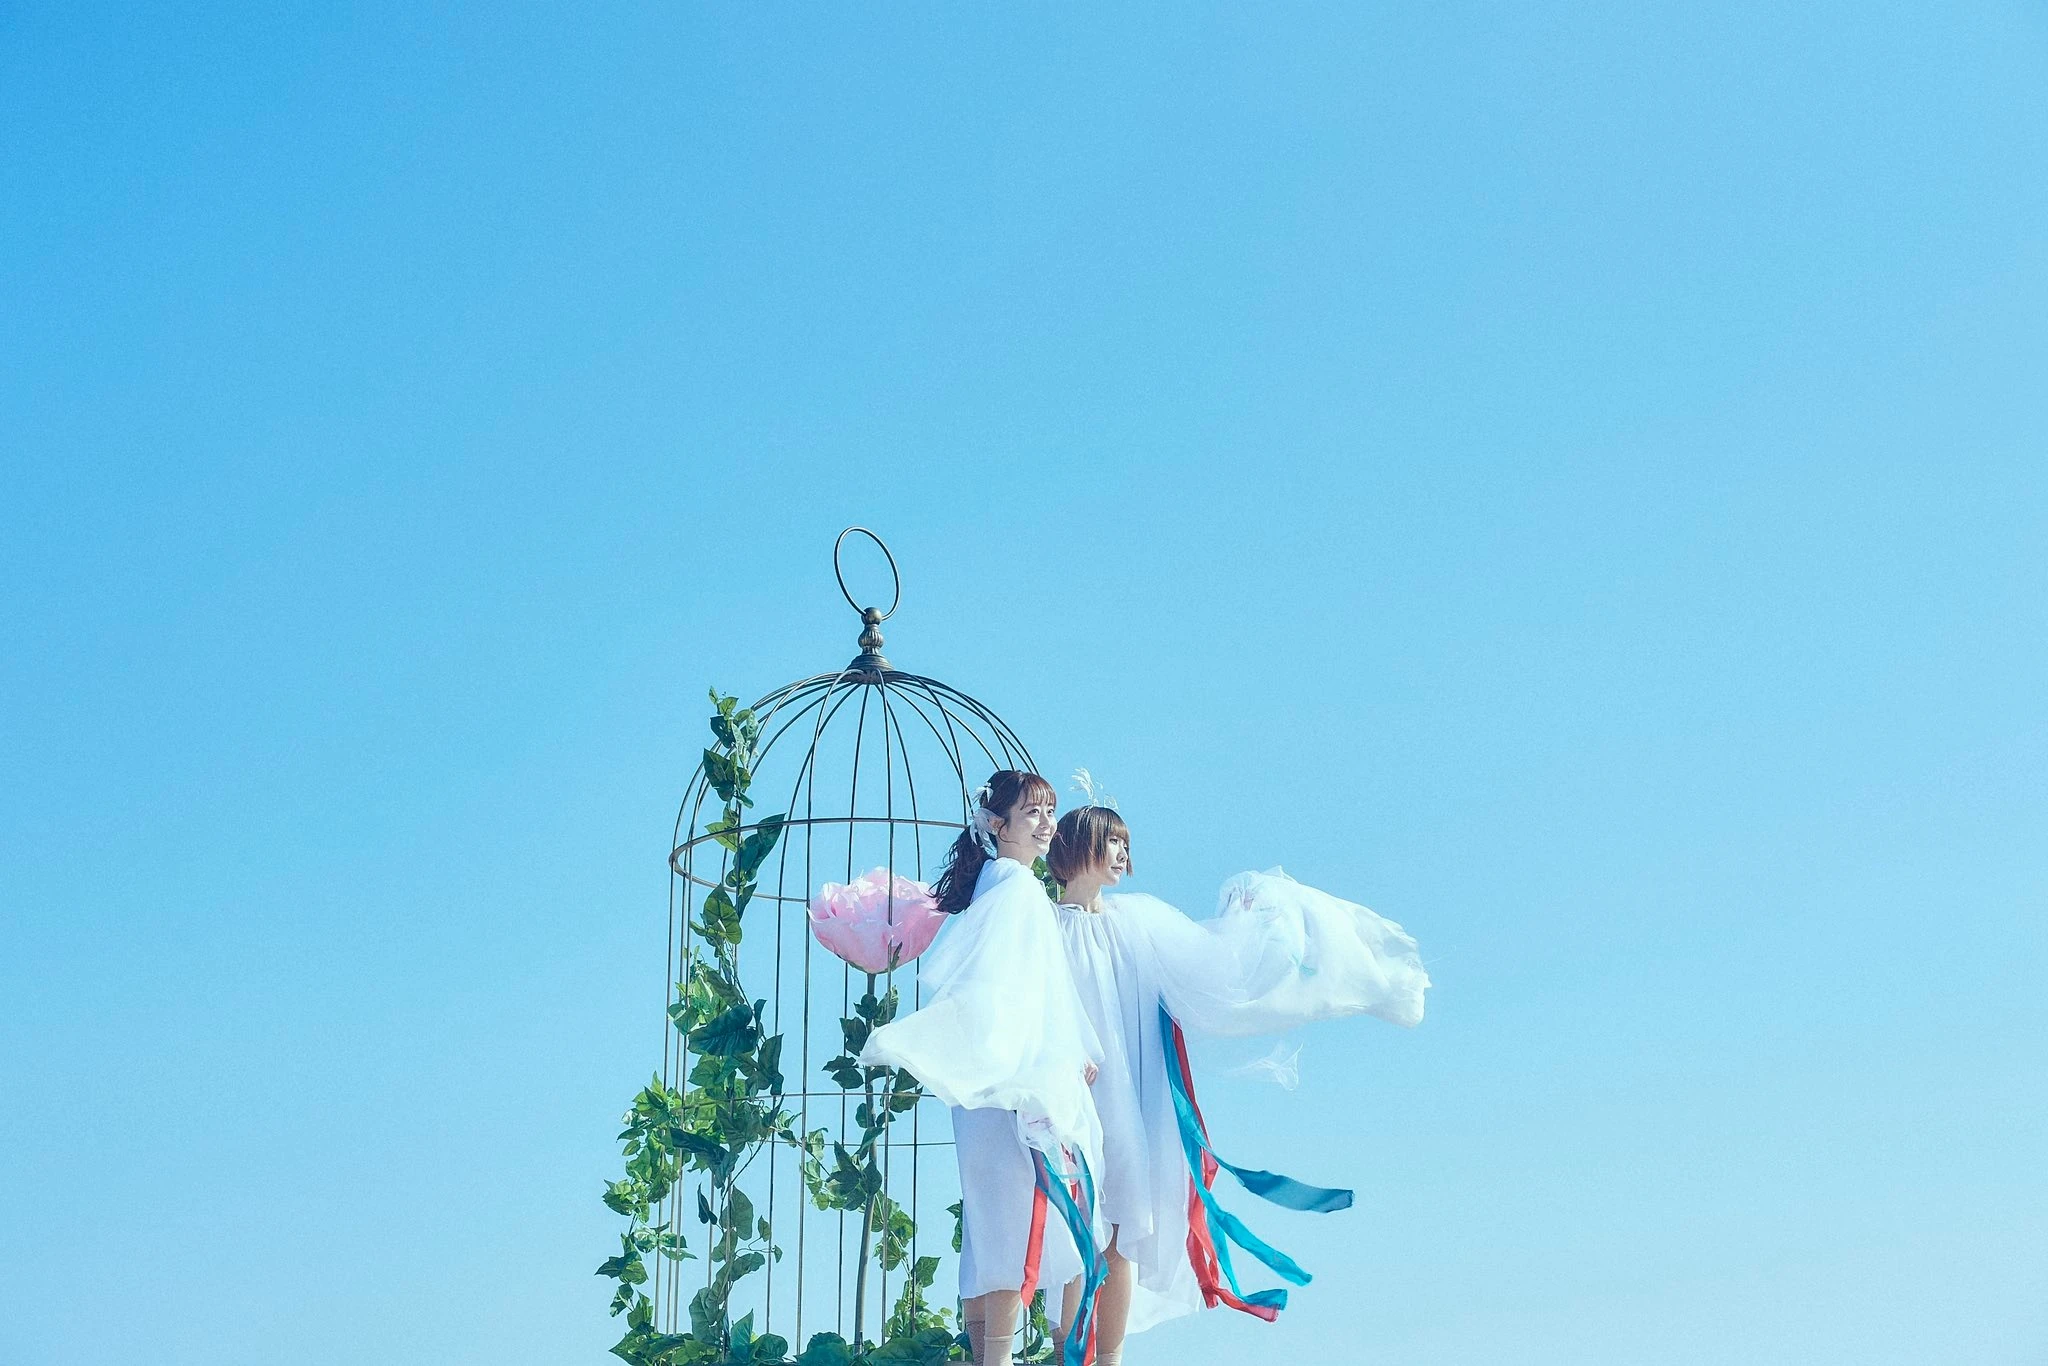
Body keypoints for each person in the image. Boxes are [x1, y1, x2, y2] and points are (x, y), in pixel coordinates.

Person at [1041, 794, 1430, 1359]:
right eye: (1112, 841)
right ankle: (1063, 1350)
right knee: (1074, 1223)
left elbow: (1211, 964)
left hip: (1134, 1097)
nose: (1123, 853)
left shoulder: (1138, 919)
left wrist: (1250, 924)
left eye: (1126, 843)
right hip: (1076, 1091)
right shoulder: (1047, 928)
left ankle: (1110, 1357)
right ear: (1080, 847)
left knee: (1122, 1225)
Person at [858, 770, 1106, 1366]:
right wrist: (1059, 1057)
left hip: (992, 1081)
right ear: (998, 823)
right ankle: (1045, 1355)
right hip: (1012, 1079)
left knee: (993, 1224)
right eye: (1032, 812)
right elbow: (1018, 990)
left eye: (1049, 812)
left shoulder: (998, 887)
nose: (1047, 824)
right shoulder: (1018, 890)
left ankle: (991, 1356)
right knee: (1035, 1221)